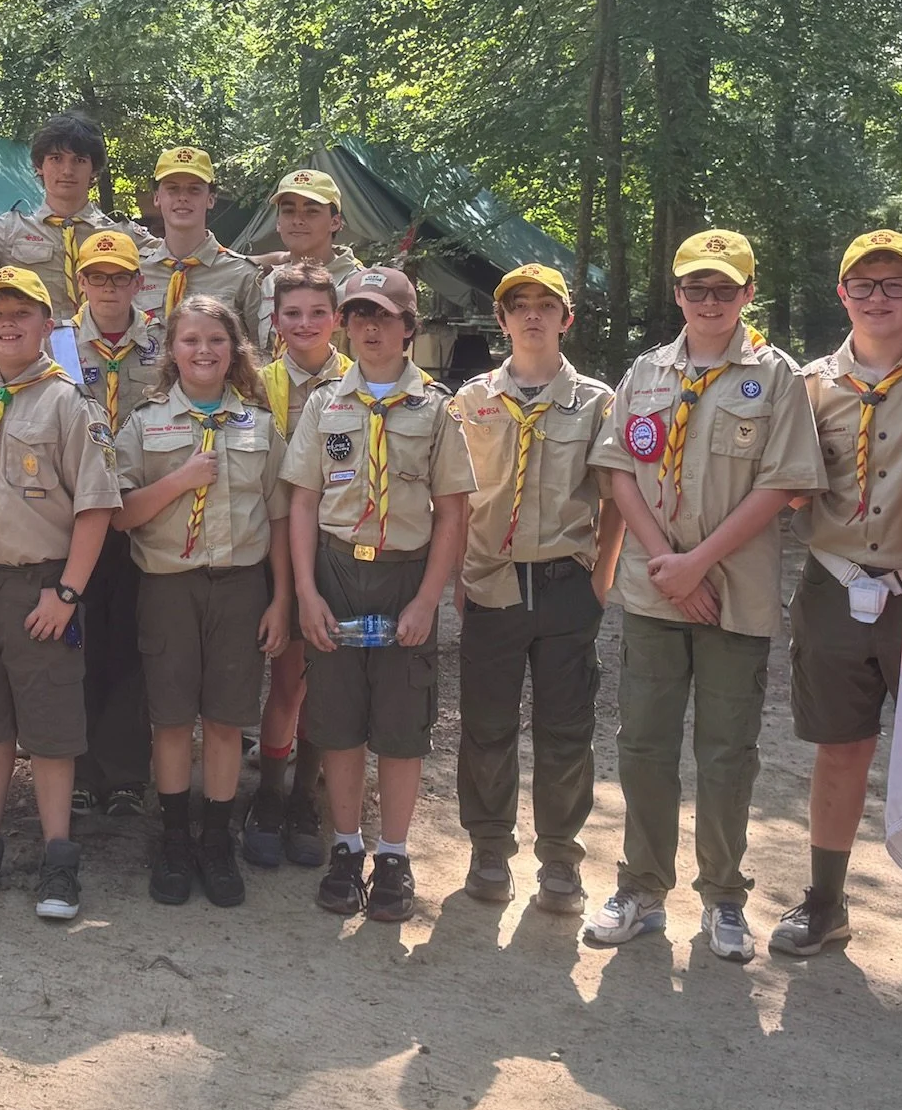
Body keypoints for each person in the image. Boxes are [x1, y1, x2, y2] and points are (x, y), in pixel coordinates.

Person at [583, 229, 824, 961]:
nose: (710, 301)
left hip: (733, 596)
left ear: (750, 294)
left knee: (727, 753)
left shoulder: (776, 377)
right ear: (678, 294)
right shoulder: (648, 372)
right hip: (657, 593)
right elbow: (618, 466)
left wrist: (699, 566)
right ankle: (642, 888)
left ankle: (723, 898)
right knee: (644, 746)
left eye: (725, 289)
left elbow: (783, 483)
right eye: (696, 288)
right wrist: (665, 561)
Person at [767, 232, 902, 983]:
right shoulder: (810, 385)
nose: (879, 298)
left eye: (897, 285)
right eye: (864, 285)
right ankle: (825, 903)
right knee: (840, 748)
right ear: (843, 294)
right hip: (835, 585)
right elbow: (784, 484)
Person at [0, 266, 122, 919]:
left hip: (41, 588)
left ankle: (58, 856)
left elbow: (96, 509)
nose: (8, 324)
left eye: (22, 313)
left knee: (53, 728)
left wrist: (66, 592)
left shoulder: (68, 404)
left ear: (46, 325)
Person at [284, 267, 474, 923]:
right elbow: (304, 503)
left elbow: (452, 513)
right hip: (337, 572)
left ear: (408, 329)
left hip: (403, 576)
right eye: (359, 315)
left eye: (383, 317)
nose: (369, 328)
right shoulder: (324, 406)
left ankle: (393, 854)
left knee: (400, 727)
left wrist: (430, 600)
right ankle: (346, 845)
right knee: (338, 723)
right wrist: (306, 592)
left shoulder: (437, 408)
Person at [452, 263, 623, 913]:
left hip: (565, 584)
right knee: (487, 725)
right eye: (518, 305)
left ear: (565, 318)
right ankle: (490, 847)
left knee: (565, 729)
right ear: (501, 320)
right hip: (492, 583)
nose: (531, 315)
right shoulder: (470, 403)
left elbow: (613, 499)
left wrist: (600, 580)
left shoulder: (598, 403)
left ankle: (560, 858)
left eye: (545, 305)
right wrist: (456, 581)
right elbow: (454, 500)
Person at [113, 296, 293, 906]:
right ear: (172, 352)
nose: (203, 351)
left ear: (234, 350)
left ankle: (215, 839)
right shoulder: (143, 423)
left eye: (216, 340)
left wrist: (282, 601)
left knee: (223, 718)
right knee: (169, 718)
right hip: (168, 587)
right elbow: (121, 516)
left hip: (241, 588)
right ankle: (173, 838)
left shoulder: (260, 427)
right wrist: (180, 479)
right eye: (189, 341)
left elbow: (278, 517)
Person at [242, 261, 350, 868]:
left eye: (317, 312)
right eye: (292, 314)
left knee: (319, 677)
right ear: (275, 321)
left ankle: (303, 796)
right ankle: (269, 792)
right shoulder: (254, 384)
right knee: (283, 677)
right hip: (261, 544)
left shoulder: (361, 381)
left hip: (332, 546)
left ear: (336, 318)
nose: (304, 324)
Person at [67, 229, 168, 816]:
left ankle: (128, 773)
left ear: (137, 282)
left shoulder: (162, 345)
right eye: (96, 276)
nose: (108, 287)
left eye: (119, 277)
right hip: (73, 514)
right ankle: (77, 770)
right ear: (81, 281)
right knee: (74, 643)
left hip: (139, 513)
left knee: (132, 645)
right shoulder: (53, 341)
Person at [0, 112, 149, 319]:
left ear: (94, 170)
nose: (67, 170)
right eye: (56, 158)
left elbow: (176, 254)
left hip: (106, 349)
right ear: (39, 165)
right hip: (37, 347)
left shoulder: (123, 235)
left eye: (79, 160)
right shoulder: (7, 230)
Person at [135, 146, 264, 338]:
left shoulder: (243, 275)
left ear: (211, 199)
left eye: (194, 189)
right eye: (172, 189)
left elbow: (264, 352)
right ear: (156, 197)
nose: (183, 197)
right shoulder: (136, 272)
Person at [250, 169, 363, 344]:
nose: (297, 220)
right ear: (278, 223)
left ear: (335, 222)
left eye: (311, 212)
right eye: (288, 211)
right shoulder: (268, 282)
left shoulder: (357, 286)